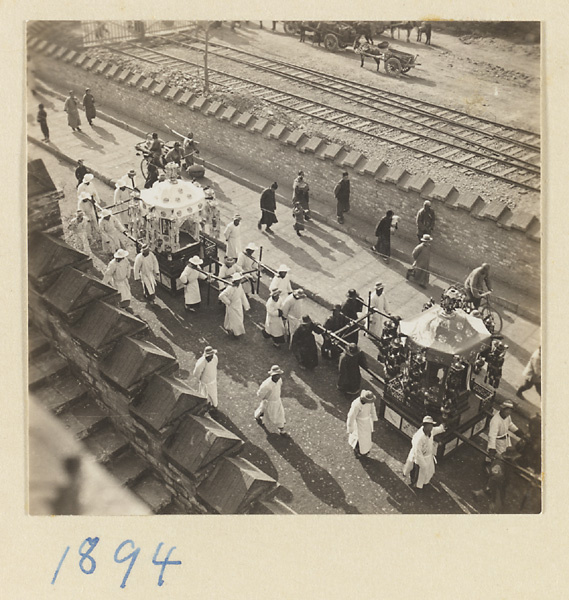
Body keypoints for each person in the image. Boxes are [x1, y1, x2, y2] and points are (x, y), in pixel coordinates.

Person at [403, 416, 446, 489]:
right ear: (425, 426)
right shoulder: (419, 438)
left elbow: (437, 430)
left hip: (428, 457)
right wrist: (423, 464)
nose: (431, 427)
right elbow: (418, 453)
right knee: (417, 472)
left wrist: (442, 426)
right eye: (430, 425)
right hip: (418, 458)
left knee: (429, 471)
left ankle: (424, 482)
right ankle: (414, 484)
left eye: (432, 425)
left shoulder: (431, 431)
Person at [254, 365, 288, 435]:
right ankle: (257, 416)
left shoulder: (279, 380)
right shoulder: (266, 384)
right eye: (275, 375)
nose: (277, 377)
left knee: (280, 415)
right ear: (272, 375)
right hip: (269, 402)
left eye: (278, 375)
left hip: (278, 401)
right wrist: (265, 400)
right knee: (265, 411)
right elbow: (260, 394)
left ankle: (281, 430)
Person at [346, 390, 378, 459]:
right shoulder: (356, 404)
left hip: (367, 422)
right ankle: (357, 449)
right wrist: (350, 427)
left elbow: (372, 409)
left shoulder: (370, 402)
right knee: (358, 437)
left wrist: (374, 417)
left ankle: (365, 449)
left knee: (366, 437)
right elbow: (351, 416)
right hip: (358, 423)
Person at [218, 273, 250, 338]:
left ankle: (231, 329)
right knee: (234, 319)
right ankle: (236, 333)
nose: (239, 281)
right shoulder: (230, 288)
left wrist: (246, 305)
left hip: (238, 305)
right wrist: (228, 302)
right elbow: (221, 295)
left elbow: (242, 294)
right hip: (232, 305)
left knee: (239, 318)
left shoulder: (240, 286)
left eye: (239, 280)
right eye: (237, 280)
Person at [193, 346, 219, 413]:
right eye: (209, 356)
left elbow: (215, 366)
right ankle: (203, 405)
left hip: (212, 381)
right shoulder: (201, 362)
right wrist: (201, 379)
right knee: (203, 395)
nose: (211, 357)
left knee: (213, 394)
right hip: (204, 382)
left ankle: (214, 406)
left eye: (211, 355)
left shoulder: (215, 358)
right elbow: (196, 373)